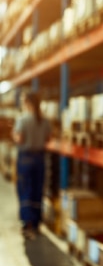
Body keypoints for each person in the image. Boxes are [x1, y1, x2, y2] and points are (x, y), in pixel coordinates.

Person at [12, 91, 51, 239]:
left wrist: (14, 135)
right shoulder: (44, 120)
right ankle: (35, 224)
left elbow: (20, 139)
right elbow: (48, 138)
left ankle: (27, 225)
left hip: (26, 158)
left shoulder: (22, 119)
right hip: (40, 158)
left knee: (25, 189)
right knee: (37, 190)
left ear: (28, 102)